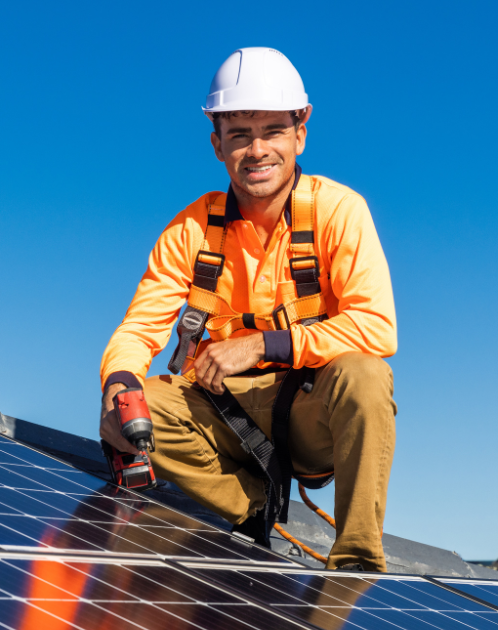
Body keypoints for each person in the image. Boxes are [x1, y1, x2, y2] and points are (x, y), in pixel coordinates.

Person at [98, 47, 397, 572]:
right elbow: (139, 328)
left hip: (309, 412)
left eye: (272, 131)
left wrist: (261, 345)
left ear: (300, 132)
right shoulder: (191, 229)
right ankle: (253, 505)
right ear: (217, 145)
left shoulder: (338, 211)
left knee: (367, 376)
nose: (257, 150)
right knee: (131, 408)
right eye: (239, 134)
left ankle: (355, 561)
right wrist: (118, 384)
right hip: (221, 417)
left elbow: (375, 326)